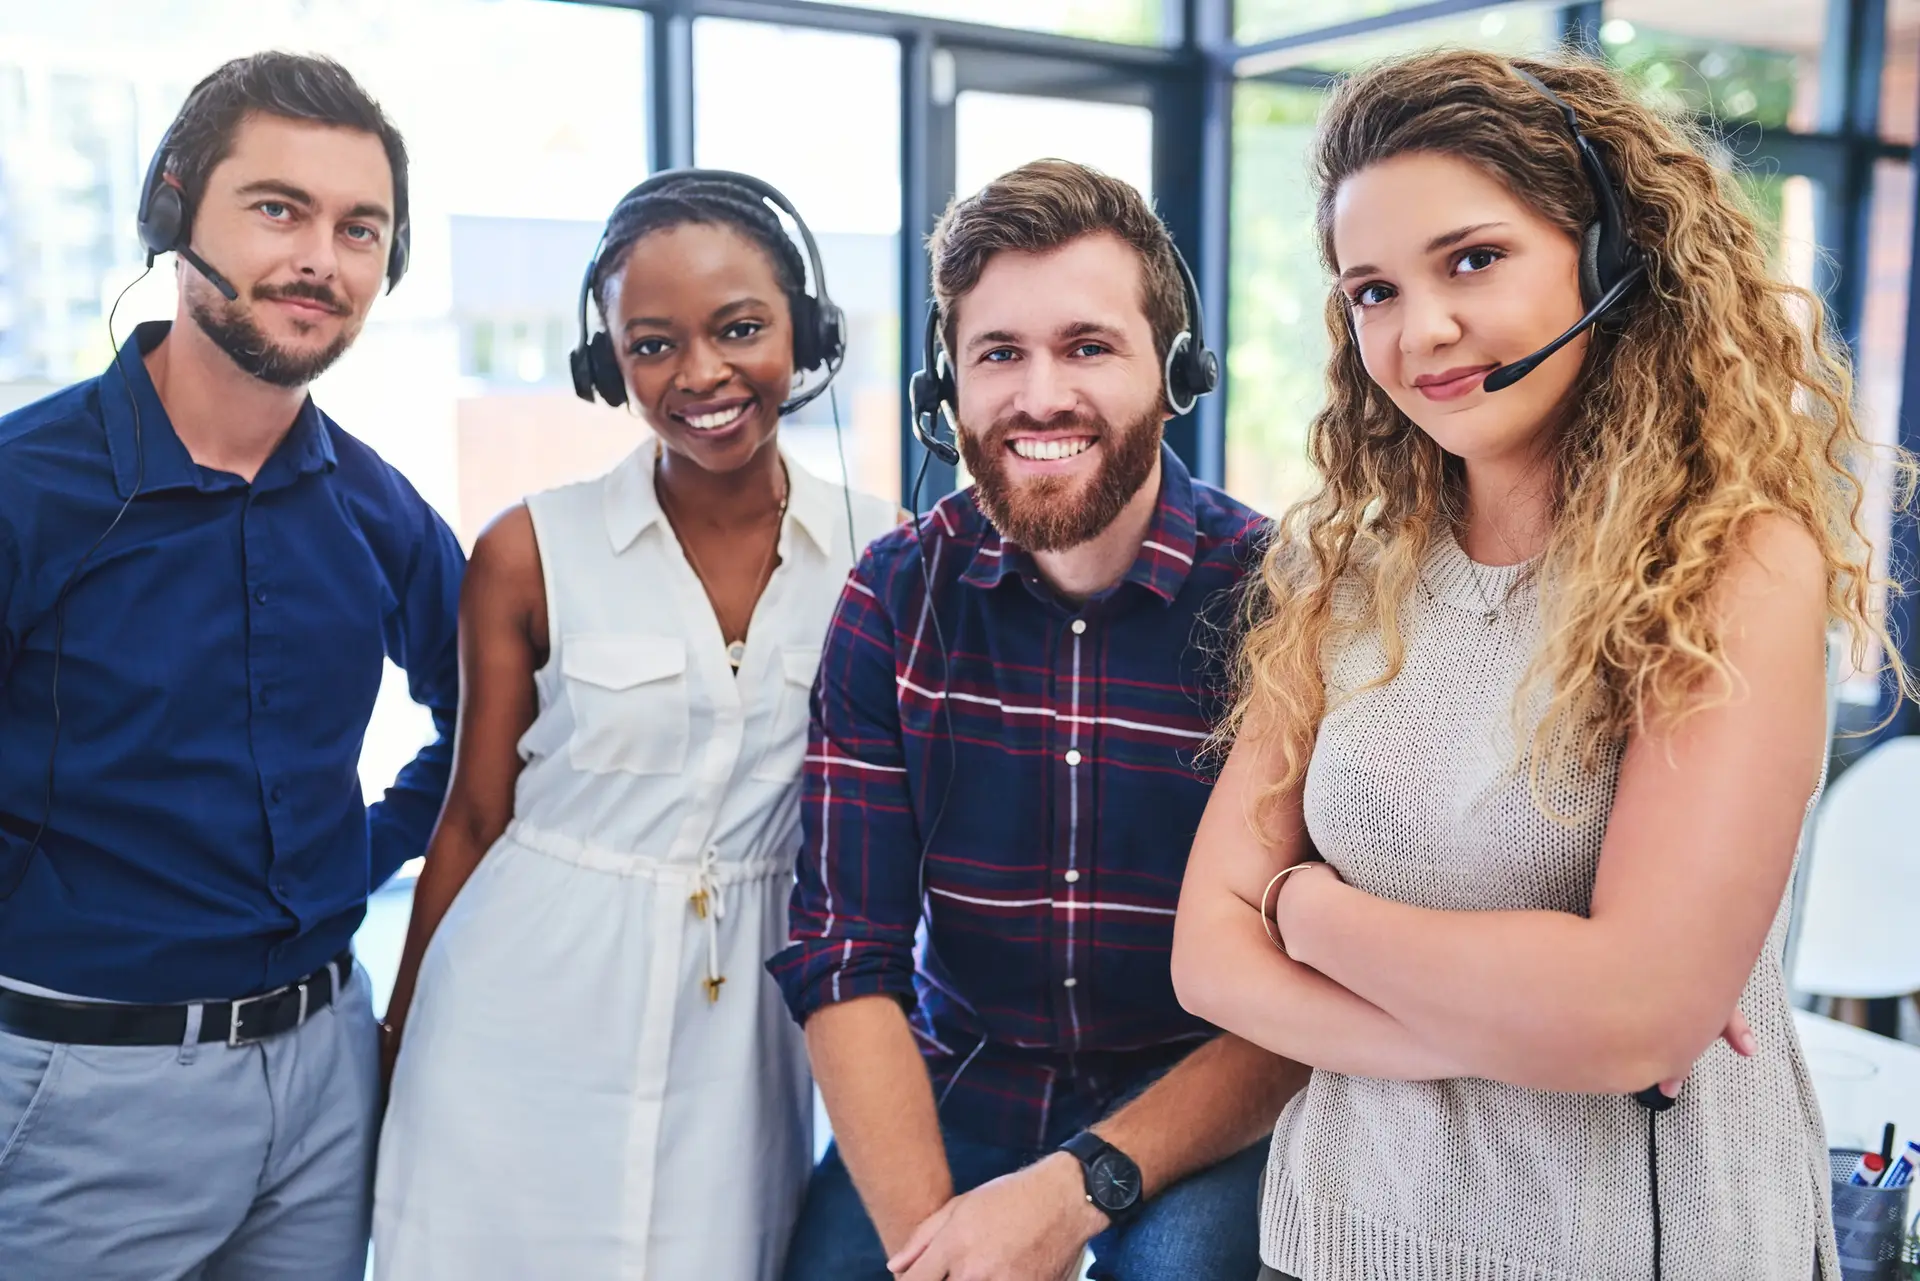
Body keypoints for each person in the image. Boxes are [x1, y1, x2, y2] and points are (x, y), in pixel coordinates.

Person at [1171, 50, 1914, 1281]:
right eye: (1373, 292)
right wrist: (1493, 1028)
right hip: (1342, 1237)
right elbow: (1207, 954)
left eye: (1473, 259)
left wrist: (1301, 910)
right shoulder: (1344, 574)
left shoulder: (1732, 566)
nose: (1423, 332)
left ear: (1609, 252)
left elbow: (1628, 1017)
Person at [772, 158, 1301, 1281]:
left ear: (1176, 372)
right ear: (944, 391)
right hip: (966, 1079)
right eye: (999, 354)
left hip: (1197, 1099)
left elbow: (1307, 996)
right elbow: (845, 956)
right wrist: (946, 1253)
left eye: (1088, 346)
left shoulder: (1280, 601)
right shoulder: (894, 595)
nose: (1040, 396)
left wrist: (1074, 1196)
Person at [371, 170, 899, 1281]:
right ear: (606, 361)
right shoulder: (528, 549)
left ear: (805, 330)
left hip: (745, 1028)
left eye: (740, 328)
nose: (700, 375)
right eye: (652, 344)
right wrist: (398, 1038)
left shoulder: (882, 552)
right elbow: (471, 819)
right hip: (519, 1016)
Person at [0, 53, 458, 1281]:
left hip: (324, 1075)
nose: (320, 257)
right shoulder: (23, 488)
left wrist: (359, 850)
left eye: (360, 228)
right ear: (175, 211)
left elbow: (492, 714)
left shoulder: (376, 506)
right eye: (278, 209)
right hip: (80, 1085)